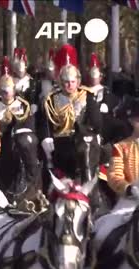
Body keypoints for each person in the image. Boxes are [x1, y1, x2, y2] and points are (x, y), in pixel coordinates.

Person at [39, 44, 102, 181]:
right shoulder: (51, 99)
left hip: (83, 140)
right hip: (60, 141)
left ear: (78, 81)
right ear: (61, 81)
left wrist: (91, 133)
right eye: (66, 82)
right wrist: (46, 138)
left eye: (73, 82)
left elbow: (97, 122)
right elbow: (45, 124)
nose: (70, 85)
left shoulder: (88, 96)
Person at [0, 59, 40, 203]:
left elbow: (28, 125)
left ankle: (32, 179)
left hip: (17, 141)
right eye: (3, 92)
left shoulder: (23, 105)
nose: (6, 94)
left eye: (8, 91)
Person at [108, 99, 139, 198]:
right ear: (131, 120)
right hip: (131, 200)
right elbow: (114, 175)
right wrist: (128, 188)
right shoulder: (120, 147)